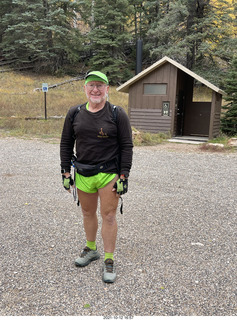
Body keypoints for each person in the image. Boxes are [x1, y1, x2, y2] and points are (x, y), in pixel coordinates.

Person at [60, 71, 133, 283]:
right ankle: (91, 249)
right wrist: (65, 171)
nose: (95, 90)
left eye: (100, 86)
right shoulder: (75, 113)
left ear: (107, 89)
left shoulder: (117, 114)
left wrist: (124, 175)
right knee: (87, 213)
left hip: (109, 173)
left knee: (109, 216)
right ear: (85, 88)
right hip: (83, 173)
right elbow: (66, 143)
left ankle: (109, 259)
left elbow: (127, 146)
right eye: (91, 85)